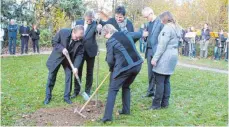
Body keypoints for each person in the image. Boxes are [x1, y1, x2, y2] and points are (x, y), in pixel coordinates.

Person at [100, 24, 148, 123]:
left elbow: (110, 60)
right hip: (137, 65)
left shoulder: (110, 41)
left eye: (105, 35)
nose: (105, 38)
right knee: (126, 86)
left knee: (112, 89)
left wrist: (112, 68)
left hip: (125, 68)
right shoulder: (126, 33)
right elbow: (138, 35)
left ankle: (107, 117)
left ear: (108, 32)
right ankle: (126, 110)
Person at [44, 25, 84, 105]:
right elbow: (54, 42)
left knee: (69, 76)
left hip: (68, 60)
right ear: (73, 32)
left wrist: (75, 67)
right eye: (77, 37)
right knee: (51, 76)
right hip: (57, 57)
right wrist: (62, 49)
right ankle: (48, 97)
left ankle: (66, 97)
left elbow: (80, 54)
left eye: (80, 38)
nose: (78, 39)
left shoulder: (81, 39)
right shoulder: (63, 32)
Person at [150, 11, 181, 110]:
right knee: (166, 80)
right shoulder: (176, 27)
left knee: (159, 80)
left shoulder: (167, 28)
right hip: (173, 55)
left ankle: (156, 105)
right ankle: (165, 103)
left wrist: (155, 59)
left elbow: (162, 46)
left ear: (164, 19)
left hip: (166, 56)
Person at [71, 10, 102, 98]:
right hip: (79, 51)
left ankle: (87, 91)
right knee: (78, 71)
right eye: (88, 20)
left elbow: (98, 32)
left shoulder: (95, 24)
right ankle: (76, 91)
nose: (89, 21)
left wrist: (99, 29)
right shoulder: (78, 22)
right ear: (84, 17)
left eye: (91, 19)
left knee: (89, 72)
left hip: (91, 52)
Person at [141, 7, 164, 97]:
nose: (146, 19)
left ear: (151, 13)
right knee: (150, 73)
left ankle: (158, 93)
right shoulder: (148, 24)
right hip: (149, 50)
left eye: (146, 17)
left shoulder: (160, 22)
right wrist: (144, 36)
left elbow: (163, 38)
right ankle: (150, 91)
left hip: (157, 52)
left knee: (157, 73)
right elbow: (147, 36)